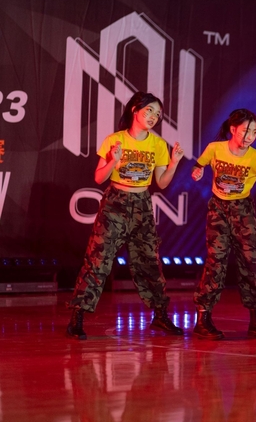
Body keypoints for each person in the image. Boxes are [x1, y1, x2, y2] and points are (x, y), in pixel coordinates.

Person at [67, 91, 185, 340]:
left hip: (142, 204)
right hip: (115, 203)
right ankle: (77, 316)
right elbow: (99, 177)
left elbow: (162, 183)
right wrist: (113, 161)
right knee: (98, 259)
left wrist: (173, 164)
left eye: (158, 114)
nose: (153, 117)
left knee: (149, 261)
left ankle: (160, 315)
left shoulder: (157, 144)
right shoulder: (115, 139)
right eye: (149, 111)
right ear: (135, 110)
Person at [191, 108, 256, 340]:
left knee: (251, 263)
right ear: (233, 129)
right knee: (215, 262)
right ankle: (203, 320)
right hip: (219, 209)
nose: (249, 137)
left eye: (254, 132)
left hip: (243, 211)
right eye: (245, 131)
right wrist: (197, 171)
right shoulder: (215, 148)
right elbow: (199, 165)